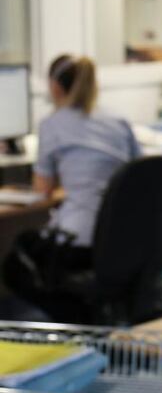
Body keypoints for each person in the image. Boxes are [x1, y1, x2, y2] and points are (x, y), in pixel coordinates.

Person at [2, 54, 140, 316]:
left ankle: (73, 318)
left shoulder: (52, 124)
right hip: (124, 238)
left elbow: (42, 190)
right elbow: (137, 172)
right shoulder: (118, 120)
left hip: (81, 242)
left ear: (55, 87)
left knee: (15, 263)